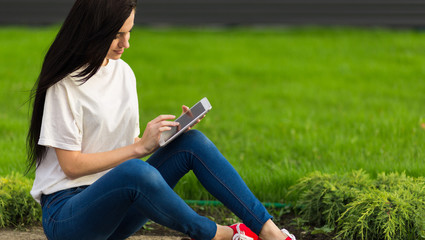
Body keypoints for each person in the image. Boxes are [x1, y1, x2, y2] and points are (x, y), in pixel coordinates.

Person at [26, 0, 296, 240]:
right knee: (136, 172)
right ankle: (220, 235)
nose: (126, 43)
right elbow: (71, 166)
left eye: (129, 31)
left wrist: (162, 137)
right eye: (117, 35)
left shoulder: (123, 73)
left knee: (192, 143)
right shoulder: (64, 84)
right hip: (69, 218)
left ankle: (268, 231)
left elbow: (125, 145)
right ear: (92, 30)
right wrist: (138, 148)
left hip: (117, 211)